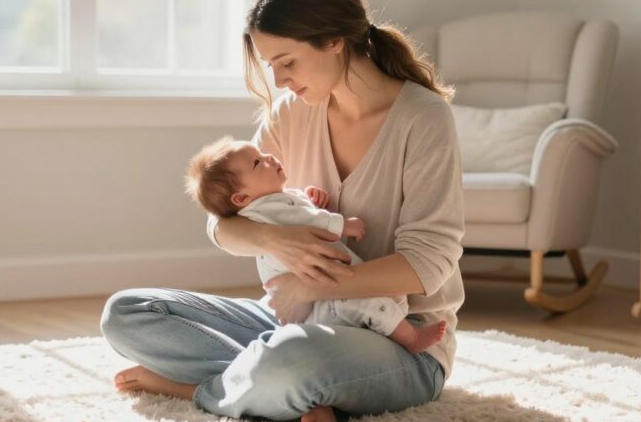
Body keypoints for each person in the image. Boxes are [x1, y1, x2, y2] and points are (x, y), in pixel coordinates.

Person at [101, 0, 465, 422]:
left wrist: (317, 284)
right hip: (301, 317)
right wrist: (277, 240)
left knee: (292, 361)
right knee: (127, 313)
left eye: (287, 62)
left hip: (402, 340)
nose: (279, 81)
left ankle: (200, 390)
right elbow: (224, 224)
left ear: (334, 40)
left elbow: (428, 264)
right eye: (271, 65)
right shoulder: (293, 113)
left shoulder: (424, 119)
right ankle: (282, 388)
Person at [183, 135, 448, 354]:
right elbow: (306, 220)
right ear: (241, 198)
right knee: (367, 302)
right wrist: (344, 225)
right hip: (318, 302)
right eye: (257, 163)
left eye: (263, 154)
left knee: (310, 354)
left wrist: (313, 200)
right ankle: (410, 338)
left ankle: (304, 383)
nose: (269, 158)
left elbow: (302, 213)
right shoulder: (267, 208)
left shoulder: (272, 202)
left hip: (307, 301)